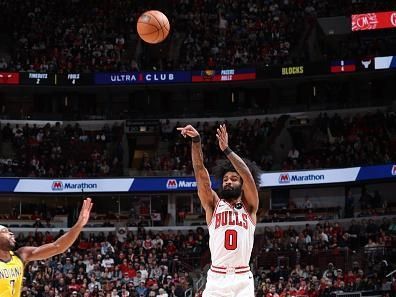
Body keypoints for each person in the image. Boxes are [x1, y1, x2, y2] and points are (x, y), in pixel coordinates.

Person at [177, 124, 260, 297]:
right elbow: (200, 173)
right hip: (216, 277)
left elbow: (247, 175)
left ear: (241, 184)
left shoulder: (250, 206)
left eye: (233, 178)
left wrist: (227, 150)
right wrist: (196, 141)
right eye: (225, 179)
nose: (228, 181)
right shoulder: (214, 204)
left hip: (242, 278)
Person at [0, 197, 93, 297]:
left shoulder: (21, 255)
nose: (11, 233)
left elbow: (58, 246)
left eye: (10, 231)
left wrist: (79, 225)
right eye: (5, 231)